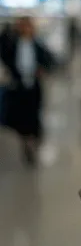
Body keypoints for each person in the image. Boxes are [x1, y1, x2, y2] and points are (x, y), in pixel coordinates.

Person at [0, 16, 56, 166]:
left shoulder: (37, 45)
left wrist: (42, 69)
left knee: (34, 114)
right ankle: (26, 142)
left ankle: (34, 138)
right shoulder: (12, 44)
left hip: (34, 86)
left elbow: (48, 60)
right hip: (18, 87)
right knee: (21, 116)